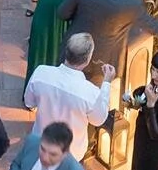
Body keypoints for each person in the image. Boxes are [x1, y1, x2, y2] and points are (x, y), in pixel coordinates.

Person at [24, 32, 114, 163]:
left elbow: (29, 102)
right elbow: (98, 120)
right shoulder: (90, 93)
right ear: (88, 59)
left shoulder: (40, 73)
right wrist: (106, 83)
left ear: (66, 52)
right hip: (71, 154)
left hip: (41, 146)